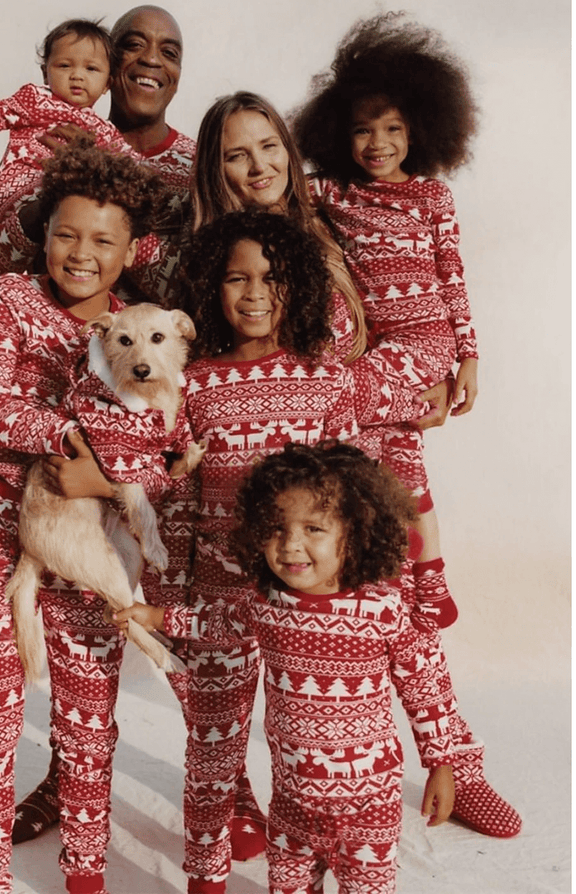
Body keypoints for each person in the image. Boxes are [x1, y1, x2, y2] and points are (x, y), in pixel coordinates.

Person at [142, 209, 427, 894]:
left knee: (305, 738)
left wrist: (368, 583)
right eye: (236, 278)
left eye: (270, 278)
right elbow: (178, 498)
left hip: (306, 606)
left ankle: (322, 846)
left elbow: (350, 493)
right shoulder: (196, 386)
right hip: (217, 596)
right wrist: (169, 592)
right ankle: (207, 876)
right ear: (211, 286)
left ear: (296, 287)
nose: (253, 293)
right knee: (212, 751)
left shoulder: (325, 380)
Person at [0, 139, 167, 894]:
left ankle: (84, 877)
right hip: (2, 515)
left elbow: (157, 435)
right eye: (66, 234)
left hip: (97, 538)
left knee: (86, 714)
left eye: (103, 240)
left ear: (131, 248)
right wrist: (68, 437)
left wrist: (107, 479)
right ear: (42, 233)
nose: (81, 253)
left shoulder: (135, 325)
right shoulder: (13, 299)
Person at [115, 440, 457, 894]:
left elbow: (426, 687)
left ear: (355, 532)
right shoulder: (268, 603)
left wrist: (442, 762)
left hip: (367, 807)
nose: (290, 545)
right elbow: (217, 622)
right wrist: (157, 617)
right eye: (276, 528)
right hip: (292, 803)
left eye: (314, 528)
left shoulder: (383, 610)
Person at [293, 11, 481, 632]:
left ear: (420, 129)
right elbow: (279, 184)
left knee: (338, 404)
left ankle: (402, 576)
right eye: (362, 130)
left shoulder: (432, 197)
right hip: (376, 345)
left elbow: (453, 278)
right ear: (337, 134)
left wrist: (468, 359)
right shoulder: (337, 195)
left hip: (424, 341)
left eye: (393, 128)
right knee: (393, 451)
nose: (378, 144)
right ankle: (423, 581)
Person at [0, 5, 195, 308]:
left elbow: (203, 294)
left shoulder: (199, 168)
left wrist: (102, 183)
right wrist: (47, 202)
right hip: (57, 348)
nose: (152, 59)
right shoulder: (51, 141)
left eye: (170, 53)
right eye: (133, 45)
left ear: (178, 77)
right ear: (109, 68)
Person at [0, 19, 135, 223]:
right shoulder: (35, 100)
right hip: (21, 187)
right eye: (64, 66)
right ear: (45, 73)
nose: (77, 75)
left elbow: (130, 162)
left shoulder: (103, 130)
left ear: (108, 83)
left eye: (91, 68)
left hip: (66, 200)